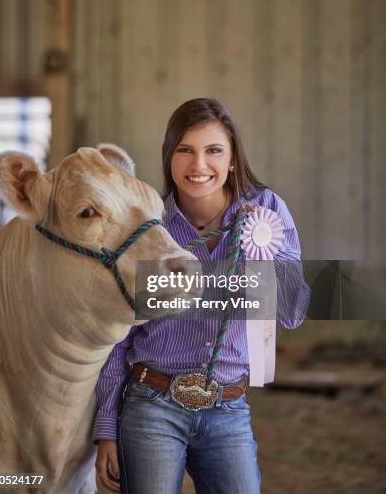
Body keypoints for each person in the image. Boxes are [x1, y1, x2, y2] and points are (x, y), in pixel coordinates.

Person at [93, 98, 309, 494]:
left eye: (213, 151)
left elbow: (292, 313)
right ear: (169, 156)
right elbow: (117, 337)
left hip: (228, 407)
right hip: (150, 404)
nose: (198, 166)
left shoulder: (267, 212)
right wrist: (107, 427)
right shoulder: (147, 226)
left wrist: (267, 251)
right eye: (185, 151)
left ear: (232, 161)